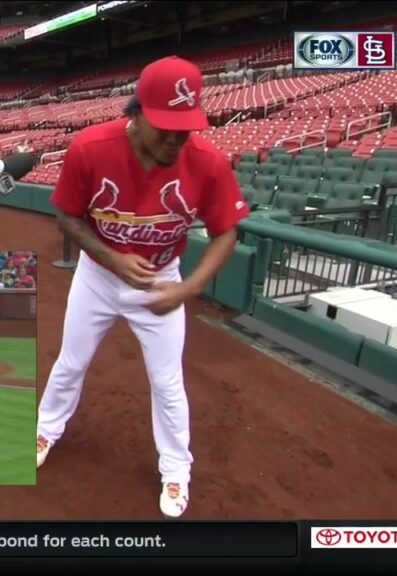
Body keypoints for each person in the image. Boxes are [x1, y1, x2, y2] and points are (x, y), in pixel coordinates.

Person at [34, 56, 249, 519]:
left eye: (184, 128)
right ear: (137, 114)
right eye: (165, 127)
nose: (175, 138)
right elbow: (67, 216)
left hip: (162, 281)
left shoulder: (206, 162)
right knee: (71, 362)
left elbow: (226, 233)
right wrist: (111, 257)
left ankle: (176, 469)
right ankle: (45, 429)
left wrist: (186, 289)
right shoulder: (91, 148)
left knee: (167, 382)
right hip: (97, 276)